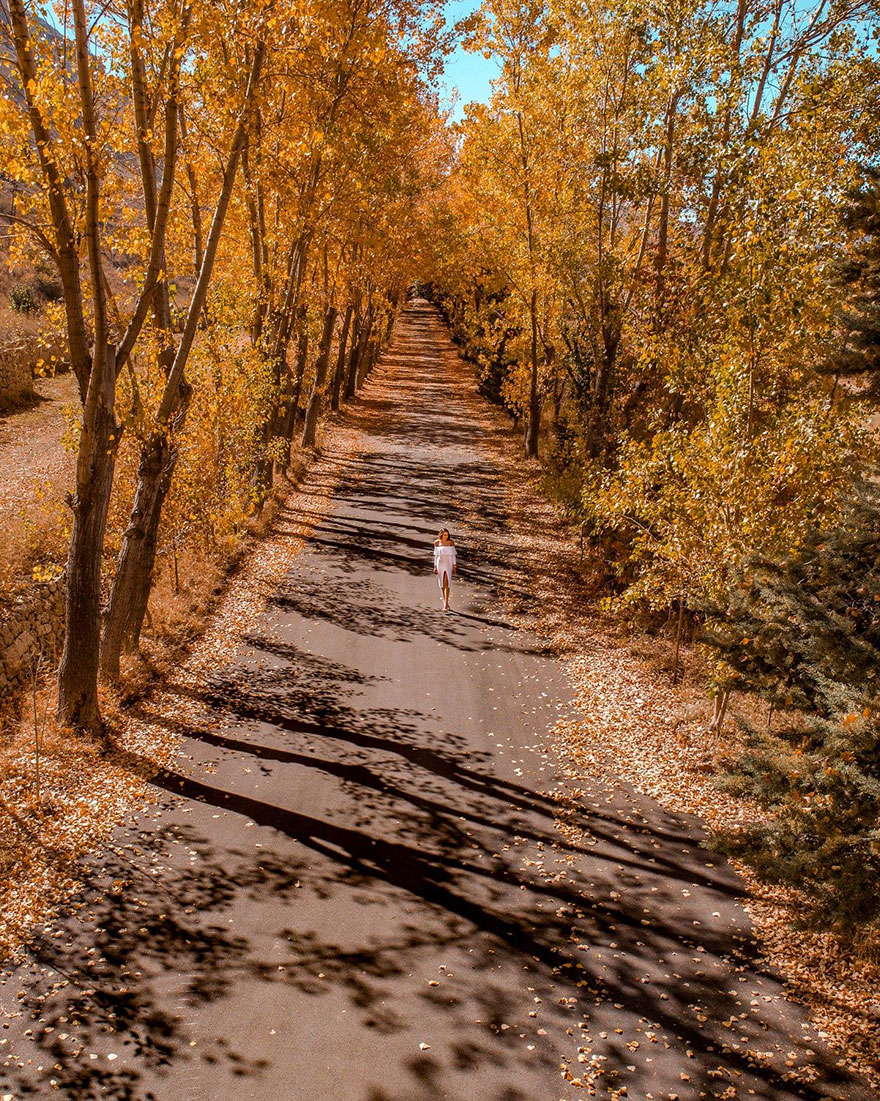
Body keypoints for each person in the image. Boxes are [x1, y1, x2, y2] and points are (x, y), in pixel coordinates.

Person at [433, 528, 457, 611]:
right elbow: (436, 556)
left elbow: (453, 555)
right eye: (445, 535)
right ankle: (444, 602)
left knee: (447, 583)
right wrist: (435, 566)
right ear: (441, 535)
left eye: (447, 535)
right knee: (442, 584)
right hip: (440, 564)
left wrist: (454, 565)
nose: (446, 536)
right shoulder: (437, 543)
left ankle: (447, 602)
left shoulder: (451, 542)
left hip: (449, 564)